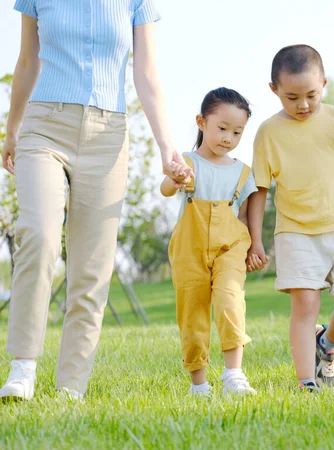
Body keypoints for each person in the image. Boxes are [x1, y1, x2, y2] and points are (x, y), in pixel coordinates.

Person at [0, 0, 191, 401]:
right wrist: (13, 129)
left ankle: (71, 386)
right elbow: (27, 61)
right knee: (39, 234)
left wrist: (165, 145)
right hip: (44, 127)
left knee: (92, 267)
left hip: (108, 136)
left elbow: (146, 72)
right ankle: (23, 367)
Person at [247, 45, 334, 392]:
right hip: (295, 233)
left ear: (324, 84)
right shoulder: (268, 132)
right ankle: (307, 382)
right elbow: (259, 190)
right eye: (291, 97)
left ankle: (326, 343)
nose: (302, 105)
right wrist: (255, 239)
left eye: (311, 95)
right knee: (305, 304)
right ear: (273, 89)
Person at [161, 88, 257, 396]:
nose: (228, 137)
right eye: (222, 128)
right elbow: (165, 189)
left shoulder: (242, 171)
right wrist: (175, 176)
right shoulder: (188, 163)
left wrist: (256, 245)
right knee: (193, 313)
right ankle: (199, 384)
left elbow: (249, 212)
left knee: (230, 300)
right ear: (202, 122)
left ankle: (234, 375)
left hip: (230, 246)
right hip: (190, 249)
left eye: (237, 132)